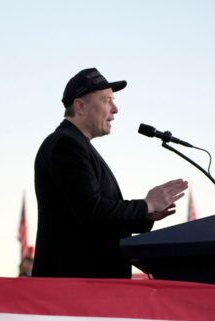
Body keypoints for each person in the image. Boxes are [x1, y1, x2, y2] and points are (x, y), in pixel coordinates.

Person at [32, 68, 187, 279]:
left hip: (87, 286)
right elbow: (90, 210)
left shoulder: (76, 144)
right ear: (80, 106)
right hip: (75, 286)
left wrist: (145, 215)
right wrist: (146, 205)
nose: (115, 109)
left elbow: (97, 218)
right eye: (107, 100)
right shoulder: (66, 144)